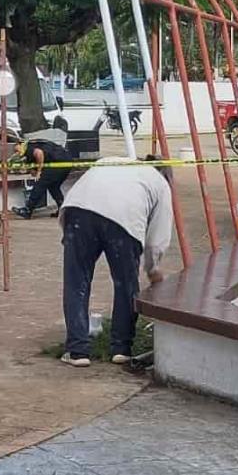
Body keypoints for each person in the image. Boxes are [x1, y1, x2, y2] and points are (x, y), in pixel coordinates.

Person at [58, 156, 173, 368]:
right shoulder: (161, 184)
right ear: (166, 174)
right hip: (124, 222)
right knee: (126, 285)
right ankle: (121, 348)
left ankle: (77, 350)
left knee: (77, 283)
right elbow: (158, 237)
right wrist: (153, 268)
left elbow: (81, 190)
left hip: (79, 212)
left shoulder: (110, 161)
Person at [13, 119, 72, 219]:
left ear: (20, 144)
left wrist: (39, 172)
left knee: (40, 184)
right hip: (66, 162)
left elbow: (39, 154)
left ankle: (28, 210)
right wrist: (31, 171)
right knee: (53, 187)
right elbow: (32, 168)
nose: (16, 151)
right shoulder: (31, 149)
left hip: (57, 163)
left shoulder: (29, 147)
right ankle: (63, 210)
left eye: (16, 148)